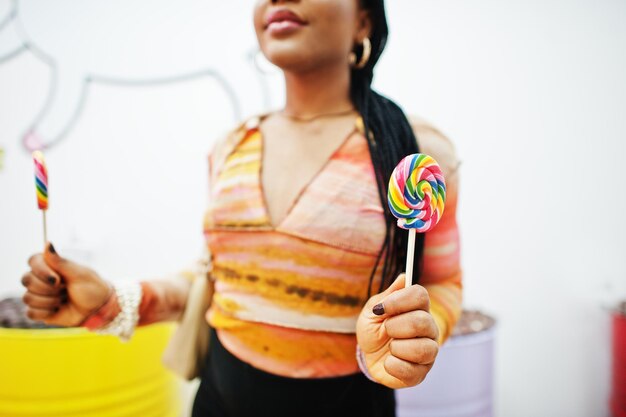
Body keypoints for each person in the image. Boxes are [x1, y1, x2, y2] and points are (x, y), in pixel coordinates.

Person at [21, 1, 462, 416]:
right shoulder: (232, 145)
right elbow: (214, 278)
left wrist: (412, 339)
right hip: (217, 399)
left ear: (364, 21)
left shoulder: (413, 152)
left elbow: (443, 283)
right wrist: (112, 300)